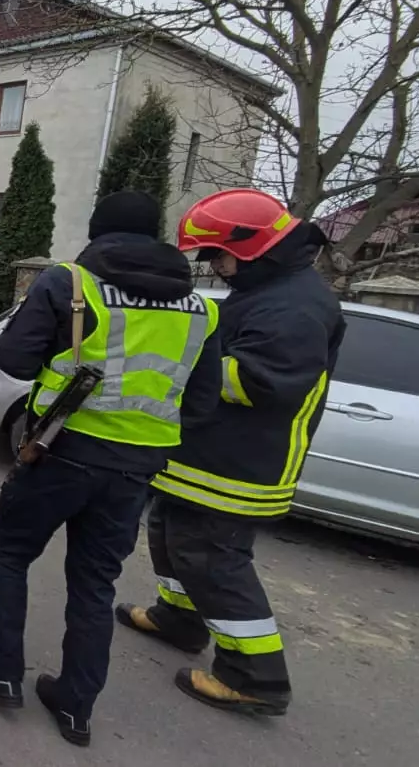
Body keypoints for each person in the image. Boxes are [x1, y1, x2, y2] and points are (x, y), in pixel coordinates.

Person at [0, 190, 222, 747]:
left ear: (99, 231)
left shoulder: (68, 283)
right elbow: (199, 404)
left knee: (10, 555)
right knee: (95, 585)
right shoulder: (202, 308)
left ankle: (3, 673)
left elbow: (14, 360)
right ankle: (76, 708)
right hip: (135, 470)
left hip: (59, 451)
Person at [116, 189, 345, 718]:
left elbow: (261, 381)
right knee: (172, 539)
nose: (215, 268)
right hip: (205, 455)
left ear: (253, 247)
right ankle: (179, 619)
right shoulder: (272, 290)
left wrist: (178, 362)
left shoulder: (295, 306)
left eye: (218, 255)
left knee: (213, 561)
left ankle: (255, 676)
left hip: (240, 466)